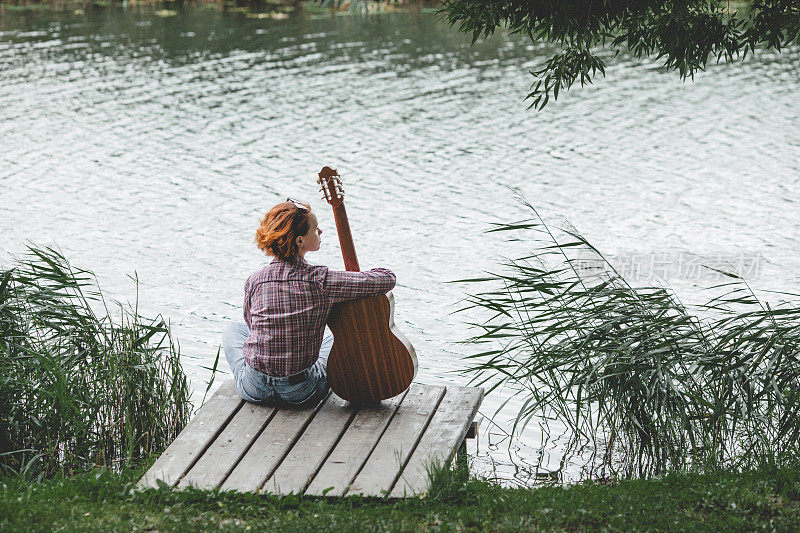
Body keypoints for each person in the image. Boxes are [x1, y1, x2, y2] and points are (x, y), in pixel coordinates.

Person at [222, 198, 396, 407]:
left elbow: (252, 326)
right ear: (299, 241)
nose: (320, 232)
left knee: (233, 330)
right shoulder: (320, 279)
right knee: (335, 339)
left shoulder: (256, 280)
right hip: (302, 393)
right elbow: (387, 279)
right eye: (315, 228)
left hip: (254, 388)